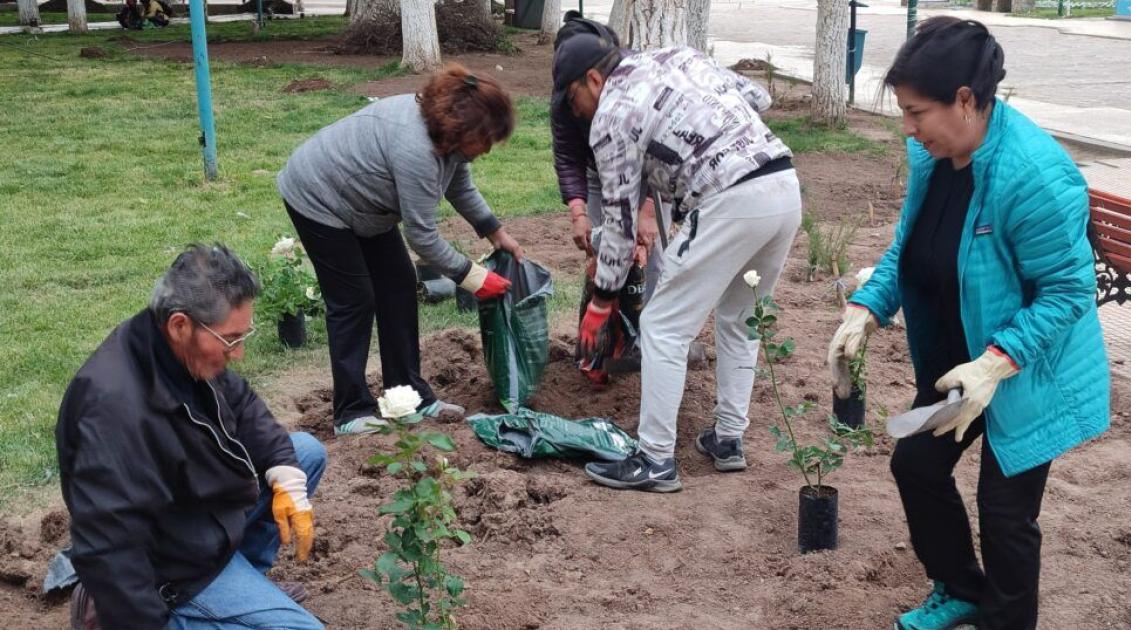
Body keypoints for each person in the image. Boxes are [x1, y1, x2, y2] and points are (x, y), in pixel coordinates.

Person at [826, 17, 1109, 630]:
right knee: (916, 468)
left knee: (1005, 512)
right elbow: (910, 247)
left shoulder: (1031, 175)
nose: (906, 127)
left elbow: (1068, 292)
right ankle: (960, 588)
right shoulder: (934, 156)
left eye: (915, 111)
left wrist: (995, 363)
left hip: (1027, 370)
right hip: (960, 361)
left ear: (964, 100)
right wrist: (867, 306)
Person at [553, 37, 800, 492]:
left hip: (728, 197)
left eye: (574, 99)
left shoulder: (611, 115)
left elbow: (621, 224)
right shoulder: (678, 57)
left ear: (593, 78)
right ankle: (728, 439)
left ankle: (654, 459)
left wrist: (602, 302)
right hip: (783, 184)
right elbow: (757, 96)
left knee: (663, 327)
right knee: (742, 319)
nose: (577, 112)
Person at [57, 244, 326, 630]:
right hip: (174, 568)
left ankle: (246, 575)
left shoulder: (178, 348)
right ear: (180, 325)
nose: (239, 354)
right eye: (231, 340)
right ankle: (164, 612)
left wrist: (287, 479)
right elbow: (109, 545)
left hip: (198, 520)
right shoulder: (112, 411)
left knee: (303, 454)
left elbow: (244, 405)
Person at [278, 64, 524, 435]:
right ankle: (351, 411)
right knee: (354, 300)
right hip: (318, 196)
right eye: (486, 139)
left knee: (398, 285)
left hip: (363, 204)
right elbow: (422, 236)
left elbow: (460, 186)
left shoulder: (450, 142)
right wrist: (474, 278)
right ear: (461, 129)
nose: (488, 149)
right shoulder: (417, 149)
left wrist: (495, 231)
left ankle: (408, 396)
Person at [551, 12, 663, 299]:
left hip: (646, 171)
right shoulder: (566, 93)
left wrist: (648, 210)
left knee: (649, 249)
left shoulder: (637, 79)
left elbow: (662, 152)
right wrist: (578, 212)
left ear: (594, 75)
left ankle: (649, 327)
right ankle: (610, 331)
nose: (575, 108)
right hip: (596, 171)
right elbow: (567, 155)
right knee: (604, 246)